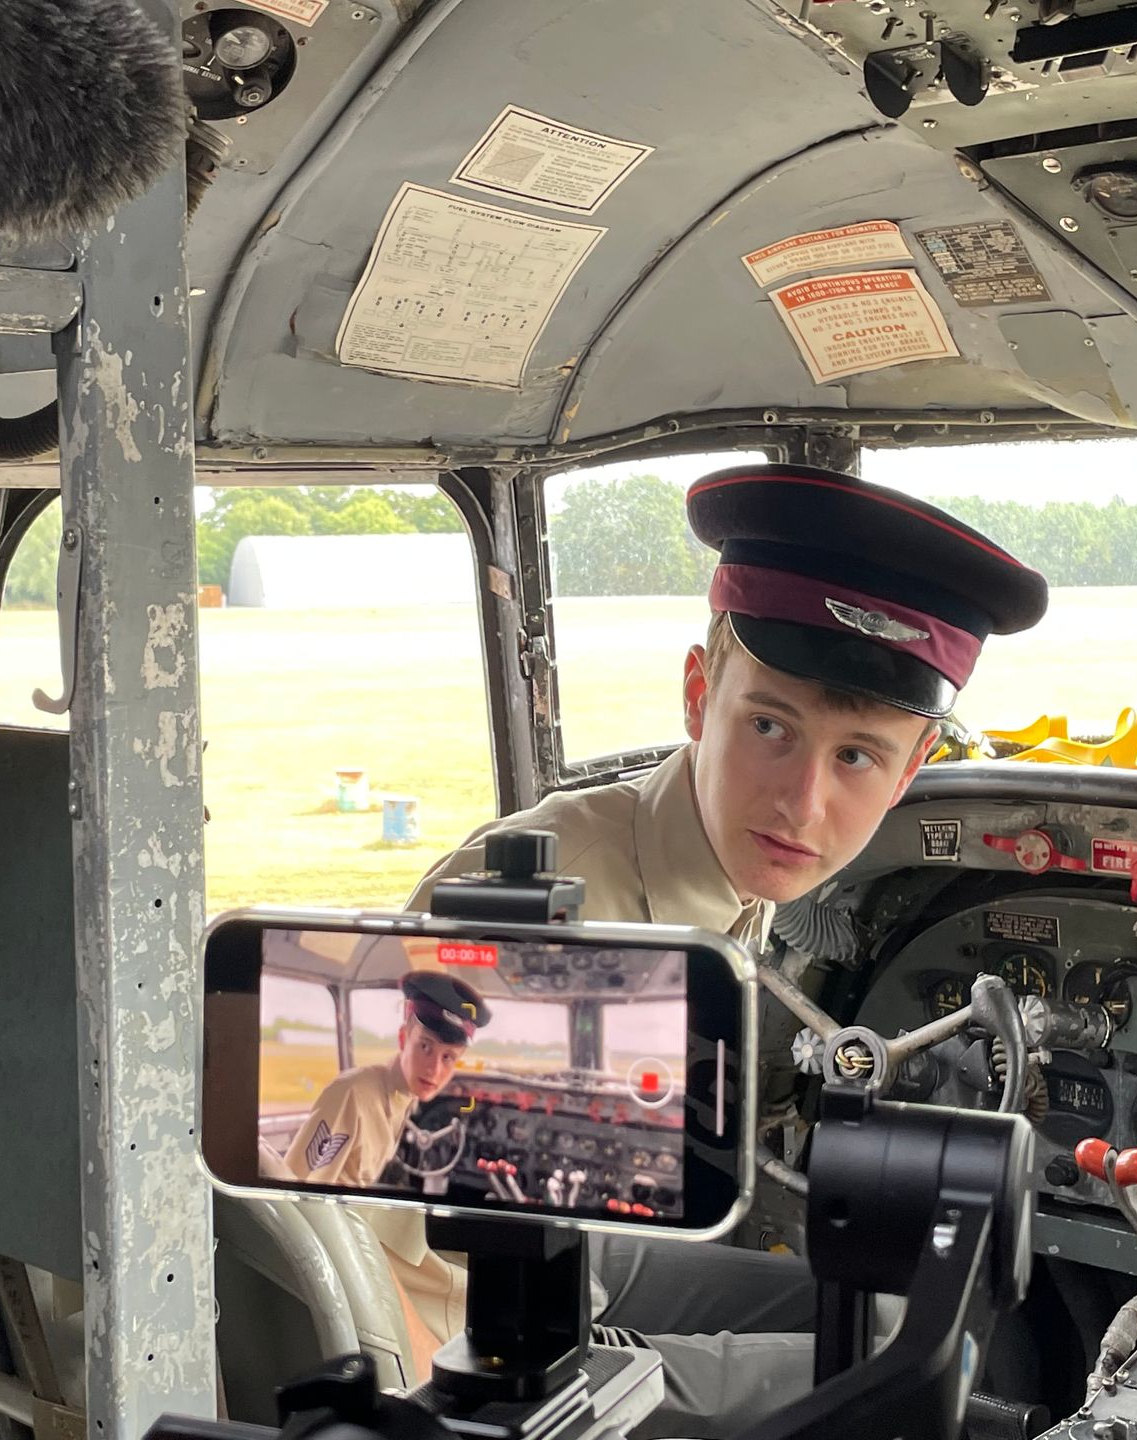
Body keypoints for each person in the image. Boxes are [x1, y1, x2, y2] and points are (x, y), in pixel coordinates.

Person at [400, 460, 1051, 1438]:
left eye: (857, 756)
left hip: (574, 1254)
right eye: (770, 727)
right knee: (919, 1381)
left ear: (913, 768)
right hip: (470, 1344)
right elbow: (412, 1248)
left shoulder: (720, 877)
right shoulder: (549, 914)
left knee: (901, 1320)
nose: (802, 805)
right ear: (699, 696)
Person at [284, 971, 492, 1188]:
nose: (434, 1069)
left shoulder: (407, 1095)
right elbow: (296, 1190)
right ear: (403, 1039)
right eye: (425, 1046)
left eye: (448, 1057)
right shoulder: (352, 1094)